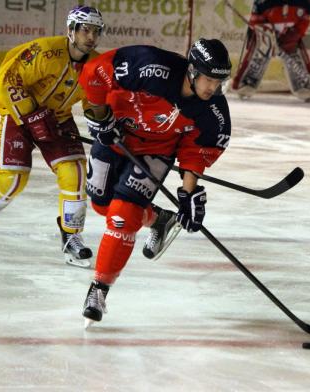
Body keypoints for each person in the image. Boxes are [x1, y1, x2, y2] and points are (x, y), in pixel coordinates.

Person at [78, 38, 232, 327]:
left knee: (122, 217)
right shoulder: (150, 67)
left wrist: (188, 194)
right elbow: (95, 73)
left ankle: (98, 290)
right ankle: (159, 219)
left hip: (157, 151)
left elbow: (195, 152)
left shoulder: (213, 112)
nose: (213, 87)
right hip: (115, 135)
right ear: (192, 71)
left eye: (219, 81)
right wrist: (100, 116)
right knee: (101, 206)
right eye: (209, 79)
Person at [0, 5, 105, 267]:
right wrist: (30, 113)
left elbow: (95, 100)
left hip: (57, 119)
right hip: (16, 114)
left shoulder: (96, 65)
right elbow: (7, 79)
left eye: (95, 31)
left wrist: (103, 124)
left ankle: (71, 238)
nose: (90, 37)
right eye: (85, 30)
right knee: (11, 181)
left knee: (75, 173)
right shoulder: (45, 51)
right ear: (71, 30)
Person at [229, 0, 310, 101]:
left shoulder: (305, 2)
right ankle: (245, 82)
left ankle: (304, 84)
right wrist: (265, 30)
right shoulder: (263, 2)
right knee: (261, 48)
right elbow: (256, 18)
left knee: (294, 48)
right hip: (267, 32)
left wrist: (295, 33)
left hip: (290, 31)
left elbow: (305, 20)